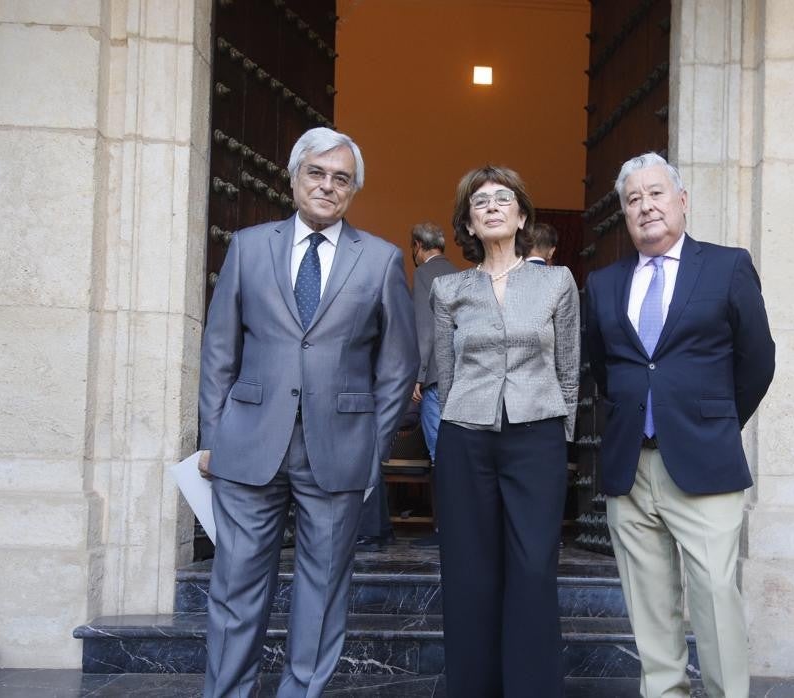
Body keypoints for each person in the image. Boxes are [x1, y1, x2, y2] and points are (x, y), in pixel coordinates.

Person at [198, 127, 418, 697]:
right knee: (235, 587)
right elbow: (220, 350)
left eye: (341, 178)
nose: (327, 185)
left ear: (353, 190)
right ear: (294, 178)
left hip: (339, 452)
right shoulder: (248, 246)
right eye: (316, 173)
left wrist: (373, 451)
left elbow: (397, 367)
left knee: (322, 592)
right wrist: (213, 438)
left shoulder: (381, 259)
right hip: (247, 446)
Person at [582, 152, 775, 698]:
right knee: (648, 608)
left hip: (705, 464)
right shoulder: (603, 283)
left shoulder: (726, 266)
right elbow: (604, 366)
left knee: (714, 598)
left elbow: (758, 359)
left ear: (682, 201)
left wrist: (711, 422)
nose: (645, 206)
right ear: (623, 213)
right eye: (633, 199)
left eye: (656, 193)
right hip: (629, 469)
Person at [431, 165, 579, 697]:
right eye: (479, 202)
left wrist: (560, 434)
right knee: (469, 572)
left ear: (521, 215)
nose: (491, 206)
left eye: (502, 199)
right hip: (465, 436)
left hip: (536, 437)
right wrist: (456, 422)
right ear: (468, 223)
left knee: (533, 570)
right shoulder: (449, 289)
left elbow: (568, 366)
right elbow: (445, 375)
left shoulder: (556, 282)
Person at [408, 221, 459, 548]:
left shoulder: (424, 275)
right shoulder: (459, 273)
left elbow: (426, 330)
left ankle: (446, 529)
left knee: (440, 454)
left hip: (437, 376)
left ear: (417, 246)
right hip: (463, 375)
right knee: (456, 452)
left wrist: (419, 374)